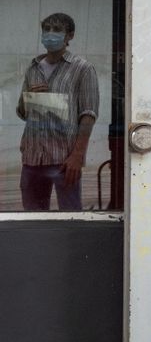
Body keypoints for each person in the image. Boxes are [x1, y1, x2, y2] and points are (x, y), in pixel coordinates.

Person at [16, 13, 99, 211]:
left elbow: (88, 114)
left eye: (57, 30)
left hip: (64, 160)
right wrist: (28, 97)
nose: (50, 34)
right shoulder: (33, 68)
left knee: (70, 216)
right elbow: (22, 112)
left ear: (69, 36)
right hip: (32, 158)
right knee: (33, 218)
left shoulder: (83, 69)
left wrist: (77, 156)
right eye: (47, 29)